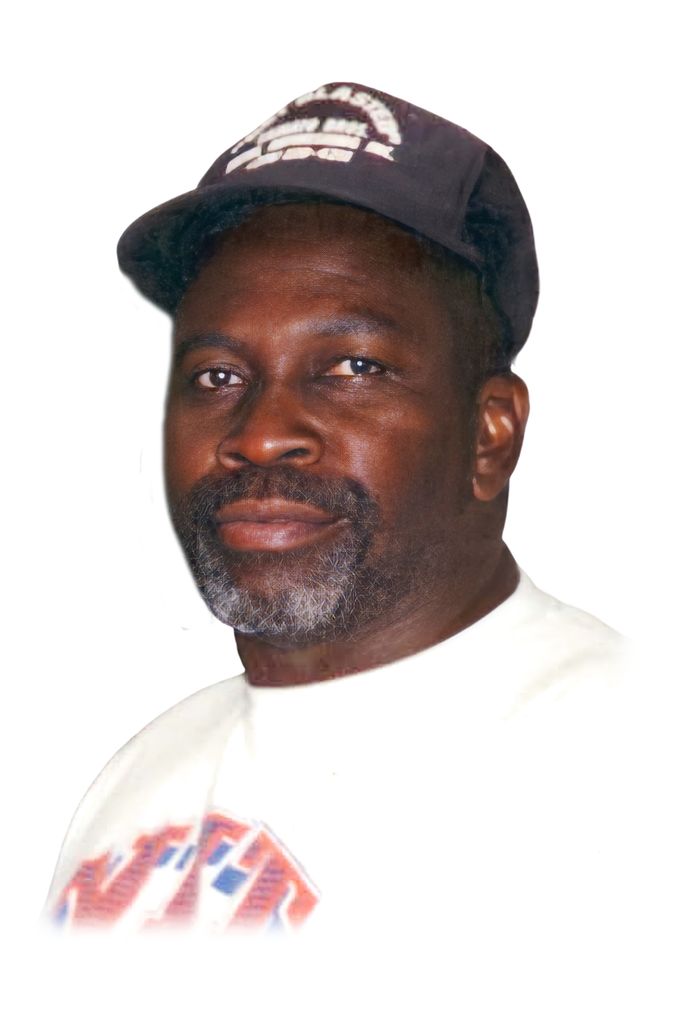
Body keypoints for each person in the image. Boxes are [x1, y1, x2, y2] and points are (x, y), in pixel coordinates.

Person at [45, 82, 630, 935]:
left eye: (353, 368)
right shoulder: (141, 779)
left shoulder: (620, 764)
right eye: (217, 376)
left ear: (488, 435)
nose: (260, 434)